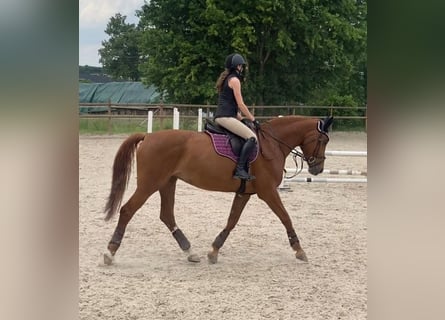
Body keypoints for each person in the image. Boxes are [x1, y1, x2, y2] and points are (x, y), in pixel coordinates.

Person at [214, 53, 258, 181]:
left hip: (226, 115)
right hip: (225, 117)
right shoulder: (235, 80)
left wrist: (242, 119)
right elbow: (241, 104)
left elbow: (230, 104)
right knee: (252, 137)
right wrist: (252, 119)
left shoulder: (227, 78)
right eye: (241, 66)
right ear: (237, 66)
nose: (242, 69)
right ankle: (239, 169)